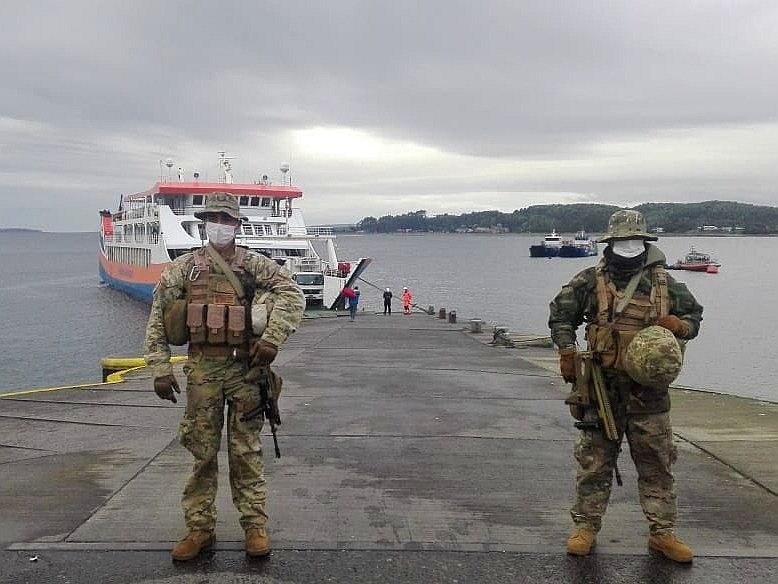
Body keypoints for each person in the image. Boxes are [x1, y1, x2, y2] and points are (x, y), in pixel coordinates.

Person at [144, 192, 305, 561]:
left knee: (245, 451)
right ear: (205, 223)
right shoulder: (184, 268)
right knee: (201, 452)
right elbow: (158, 315)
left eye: (226, 218)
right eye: (213, 217)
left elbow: (292, 295)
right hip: (202, 370)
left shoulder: (256, 265)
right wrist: (159, 367)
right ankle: (200, 527)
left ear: (236, 225)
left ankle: (254, 526)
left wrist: (272, 339)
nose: (219, 224)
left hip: (247, 371)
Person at [548, 209, 703, 563]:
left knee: (657, 464)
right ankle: (585, 527)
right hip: (602, 390)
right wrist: (567, 350)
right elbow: (560, 314)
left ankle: (662, 533)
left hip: (650, 394)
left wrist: (680, 326)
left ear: (645, 243)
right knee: (594, 463)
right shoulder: (589, 281)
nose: (628, 247)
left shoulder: (667, 285)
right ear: (611, 243)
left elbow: (695, 317)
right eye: (622, 242)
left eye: (634, 241)